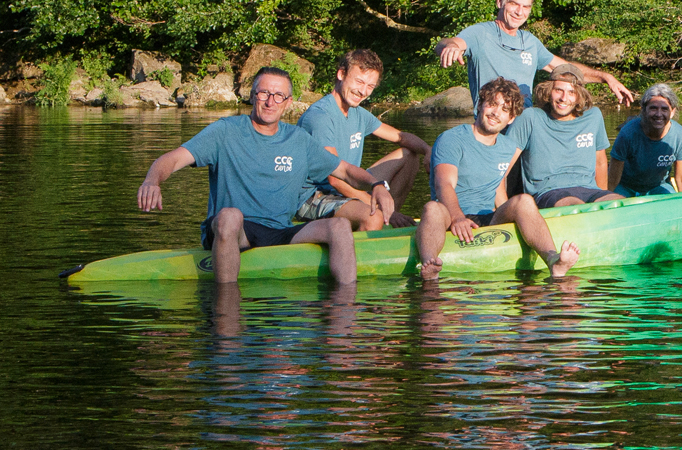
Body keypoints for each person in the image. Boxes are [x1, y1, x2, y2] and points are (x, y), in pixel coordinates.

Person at [137, 66, 391, 285]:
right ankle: (226, 308)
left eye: (279, 96)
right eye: (264, 93)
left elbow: (345, 170)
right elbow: (172, 159)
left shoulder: (298, 139)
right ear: (252, 96)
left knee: (339, 225)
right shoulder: (225, 131)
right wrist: (152, 180)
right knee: (229, 216)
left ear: (288, 102)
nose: (271, 102)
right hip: (237, 231)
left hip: (280, 231)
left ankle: (346, 310)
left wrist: (377, 185)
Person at [417, 78, 580, 280]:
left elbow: (497, 189)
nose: (496, 113)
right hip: (449, 216)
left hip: (487, 217)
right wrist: (458, 218)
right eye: (492, 104)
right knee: (432, 208)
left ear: (511, 119)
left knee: (524, 200)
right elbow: (444, 184)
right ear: (480, 105)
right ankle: (430, 264)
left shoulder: (507, 147)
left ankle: (553, 260)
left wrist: (514, 217)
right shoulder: (451, 139)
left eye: (504, 109)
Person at [436, 0, 634, 106]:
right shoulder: (481, 33)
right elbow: (450, 43)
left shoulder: (529, 42)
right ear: (499, 1)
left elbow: (566, 69)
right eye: (514, 4)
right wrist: (450, 46)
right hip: (492, 126)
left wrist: (605, 77)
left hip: (525, 128)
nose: (519, 12)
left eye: (526, 7)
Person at [296, 49, 430, 231]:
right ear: (341, 74)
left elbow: (401, 137)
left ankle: (389, 220)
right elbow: (335, 179)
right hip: (315, 197)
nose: (363, 91)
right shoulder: (320, 117)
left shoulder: (358, 113)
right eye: (359, 82)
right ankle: (381, 217)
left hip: (348, 185)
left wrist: (429, 151)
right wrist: (378, 205)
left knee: (409, 155)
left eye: (370, 86)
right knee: (372, 216)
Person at [511, 66, 614, 208]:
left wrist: (604, 200)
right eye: (558, 90)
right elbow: (503, 165)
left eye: (571, 92)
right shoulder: (531, 117)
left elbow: (600, 163)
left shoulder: (593, 117)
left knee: (618, 202)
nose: (564, 98)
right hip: (548, 192)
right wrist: (502, 209)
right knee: (573, 205)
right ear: (548, 91)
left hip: (588, 188)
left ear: (579, 96)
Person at [608, 83, 682, 195]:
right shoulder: (627, 133)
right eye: (653, 108)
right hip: (626, 186)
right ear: (643, 110)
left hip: (659, 186)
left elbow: (681, 179)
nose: (659, 114)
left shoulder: (680, 135)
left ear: (672, 112)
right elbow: (613, 177)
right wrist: (607, 198)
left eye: (664, 109)